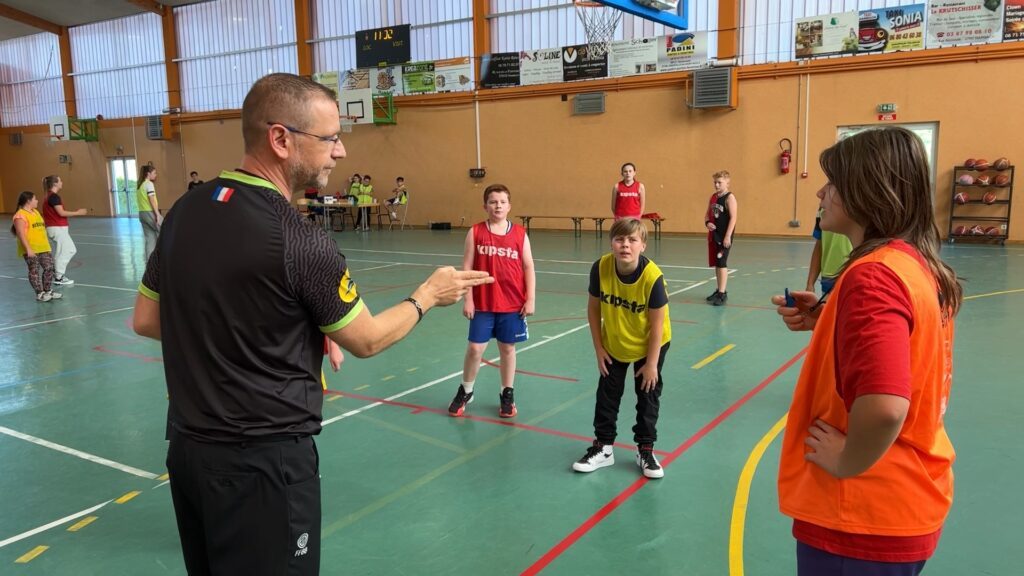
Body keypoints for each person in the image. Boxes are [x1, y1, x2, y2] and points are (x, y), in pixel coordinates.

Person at [132, 72, 492, 576]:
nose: (340, 151)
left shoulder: (184, 212)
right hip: (264, 466)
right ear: (280, 139)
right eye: (329, 138)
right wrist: (427, 295)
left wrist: (278, 328)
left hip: (189, 453)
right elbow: (366, 338)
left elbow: (147, 318)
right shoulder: (299, 240)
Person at [772, 127, 962, 575]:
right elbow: (913, 350)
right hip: (904, 500)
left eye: (832, 183)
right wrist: (830, 319)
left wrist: (848, 459)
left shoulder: (872, 276)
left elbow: (885, 407)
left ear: (863, 191)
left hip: (860, 516)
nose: (821, 191)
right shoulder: (914, 265)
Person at [572, 218, 670, 479]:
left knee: (647, 394)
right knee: (608, 392)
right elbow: (593, 310)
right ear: (611, 243)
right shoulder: (601, 268)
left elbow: (658, 326)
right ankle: (603, 447)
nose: (625, 245)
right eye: (619, 239)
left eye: (632, 240)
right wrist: (598, 348)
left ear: (643, 245)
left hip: (650, 343)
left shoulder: (653, 278)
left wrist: (651, 364)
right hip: (615, 340)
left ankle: (645, 450)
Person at [448, 183, 536, 418]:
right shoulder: (476, 232)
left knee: (507, 348)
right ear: (485, 205)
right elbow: (466, 267)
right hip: (483, 302)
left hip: (512, 302)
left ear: (509, 206)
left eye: (502, 202)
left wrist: (531, 298)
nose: (498, 205)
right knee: (475, 348)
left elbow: (528, 266)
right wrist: (468, 299)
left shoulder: (519, 233)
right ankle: (466, 389)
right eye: (493, 202)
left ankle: (507, 393)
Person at [11, 191, 62, 301]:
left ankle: (48, 290)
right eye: (35, 199)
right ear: (29, 201)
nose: (37, 201)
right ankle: (40, 293)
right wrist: (28, 249)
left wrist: (47, 245)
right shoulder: (20, 215)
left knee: (50, 268)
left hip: (43, 247)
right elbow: (20, 234)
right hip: (31, 248)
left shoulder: (36, 212)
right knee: (34, 270)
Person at [42, 175, 88, 285]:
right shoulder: (53, 197)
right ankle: (59, 276)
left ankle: (58, 275)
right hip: (56, 228)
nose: (62, 182)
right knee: (69, 249)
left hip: (56, 228)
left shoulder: (50, 196)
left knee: (61, 251)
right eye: (60, 180)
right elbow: (61, 213)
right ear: (55, 183)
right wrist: (78, 213)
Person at [704, 170, 737, 306]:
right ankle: (719, 290)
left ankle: (723, 294)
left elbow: (734, 218)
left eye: (719, 182)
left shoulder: (730, 198)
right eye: (715, 182)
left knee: (721, 262)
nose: (716, 185)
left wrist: (728, 236)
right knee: (717, 263)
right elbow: (707, 214)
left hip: (725, 236)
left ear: (727, 183)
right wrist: (708, 223)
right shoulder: (713, 197)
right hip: (715, 235)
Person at [805, 206, 853, 295]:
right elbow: (819, 246)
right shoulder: (822, 209)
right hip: (828, 280)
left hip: (853, 278)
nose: (820, 194)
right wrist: (810, 283)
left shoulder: (861, 206)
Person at [136, 164, 162, 260]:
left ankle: (149, 261)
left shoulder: (140, 185)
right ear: (148, 174)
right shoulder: (149, 184)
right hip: (150, 213)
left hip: (142, 214)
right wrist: (157, 214)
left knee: (150, 239)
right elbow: (151, 199)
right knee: (166, 231)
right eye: (154, 173)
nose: (156, 175)